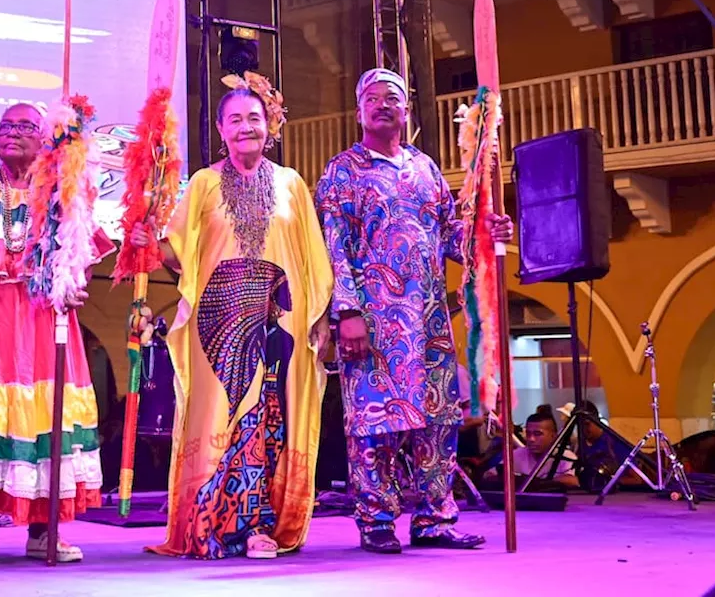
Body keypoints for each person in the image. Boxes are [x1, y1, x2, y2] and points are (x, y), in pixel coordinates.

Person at [129, 73, 335, 560]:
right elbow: (179, 253)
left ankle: (261, 524)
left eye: (254, 118)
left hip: (278, 324)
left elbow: (312, 257)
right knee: (220, 415)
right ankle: (211, 522)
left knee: (268, 420)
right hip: (217, 324)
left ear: (271, 126)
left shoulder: (291, 184)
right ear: (221, 129)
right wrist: (147, 243)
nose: (246, 127)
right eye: (235, 120)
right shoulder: (202, 183)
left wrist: (320, 318)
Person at [314, 67, 513, 554]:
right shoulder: (343, 171)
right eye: (373, 98)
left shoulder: (425, 169)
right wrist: (347, 312)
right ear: (360, 109)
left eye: (393, 98)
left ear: (407, 109)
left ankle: (434, 518)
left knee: (438, 420)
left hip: (428, 321)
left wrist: (488, 235)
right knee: (375, 423)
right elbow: (333, 247)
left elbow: (451, 238)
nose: (383, 105)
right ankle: (377, 519)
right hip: (373, 321)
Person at [0, 103, 113, 564]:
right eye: (5, 126)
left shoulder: (63, 186)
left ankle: (40, 530)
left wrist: (73, 283)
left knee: (41, 416)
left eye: (25, 126)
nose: (12, 133)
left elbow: (79, 249)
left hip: (43, 314)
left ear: (45, 137)